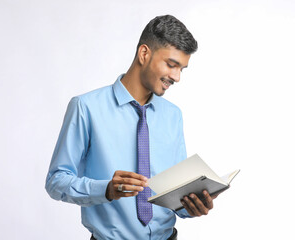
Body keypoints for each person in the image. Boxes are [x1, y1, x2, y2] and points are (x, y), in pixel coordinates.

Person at [45, 15, 219, 240]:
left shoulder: (173, 115)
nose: (176, 77)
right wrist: (106, 189)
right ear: (144, 53)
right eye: (171, 65)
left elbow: (175, 191)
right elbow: (56, 181)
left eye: (181, 69)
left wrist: (192, 206)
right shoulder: (85, 108)